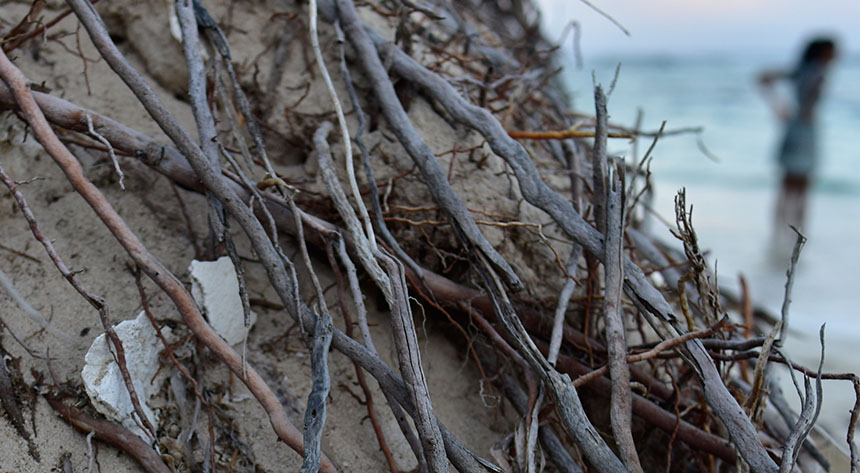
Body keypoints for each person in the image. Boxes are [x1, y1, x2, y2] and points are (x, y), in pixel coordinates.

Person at [758, 37, 837, 248]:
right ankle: (798, 235)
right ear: (823, 53)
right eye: (833, 51)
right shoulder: (817, 73)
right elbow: (810, 101)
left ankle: (778, 234)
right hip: (806, 131)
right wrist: (789, 109)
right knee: (802, 188)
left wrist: (779, 107)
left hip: (794, 128)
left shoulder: (801, 70)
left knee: (786, 186)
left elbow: (762, 78)